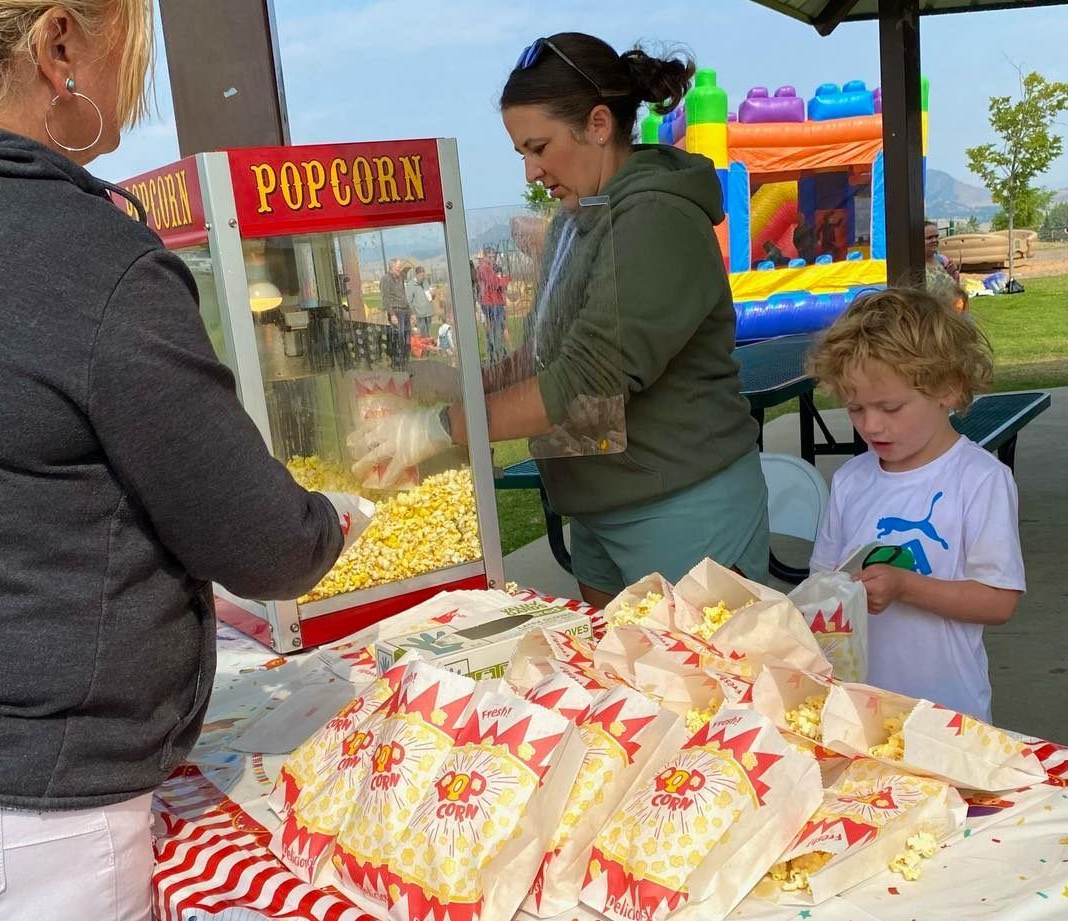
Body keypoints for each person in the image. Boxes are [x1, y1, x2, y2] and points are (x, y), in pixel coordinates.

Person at [0, 3, 368, 921]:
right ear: (62, 46)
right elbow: (256, 537)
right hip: (39, 799)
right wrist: (326, 521)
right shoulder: (81, 253)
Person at [351, 33, 768, 608]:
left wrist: (439, 428)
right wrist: (464, 383)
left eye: (539, 147)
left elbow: (584, 380)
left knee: (700, 686)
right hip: (595, 509)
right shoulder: (577, 221)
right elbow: (546, 354)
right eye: (522, 152)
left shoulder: (657, 221)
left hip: (681, 510)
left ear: (598, 124)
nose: (530, 172)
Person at [808, 288, 1023, 722]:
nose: (871, 425)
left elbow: (999, 601)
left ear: (948, 388)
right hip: (860, 709)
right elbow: (821, 586)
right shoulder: (851, 481)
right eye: (855, 409)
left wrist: (906, 587)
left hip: (947, 713)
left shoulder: (980, 479)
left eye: (890, 407)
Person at [476, 244, 510, 363]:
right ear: (484, 257)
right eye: (489, 257)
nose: (492, 259)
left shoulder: (486, 268)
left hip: (491, 302)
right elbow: (495, 283)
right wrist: (506, 279)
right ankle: (498, 356)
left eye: (493, 257)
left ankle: (496, 356)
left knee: (494, 330)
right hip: (492, 303)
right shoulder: (484, 268)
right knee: (496, 331)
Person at [379, 257, 411, 367]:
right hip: (396, 312)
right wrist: (392, 314)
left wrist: (410, 312)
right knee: (398, 338)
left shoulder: (400, 278)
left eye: (399, 268)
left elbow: (403, 296)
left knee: (407, 338)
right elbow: (385, 298)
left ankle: (405, 361)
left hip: (405, 310)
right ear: (391, 268)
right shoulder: (386, 279)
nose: (399, 270)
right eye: (397, 268)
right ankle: (397, 363)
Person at [925, 219, 960, 296]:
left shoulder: (943, 260)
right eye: (929, 238)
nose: (934, 240)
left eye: (936, 236)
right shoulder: (916, 265)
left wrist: (953, 275)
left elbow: (956, 290)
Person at [406, 263, 435, 336]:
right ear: (416, 274)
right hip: (419, 315)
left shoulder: (426, 282)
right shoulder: (411, 285)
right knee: (421, 334)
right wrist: (412, 313)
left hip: (428, 313)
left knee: (428, 333)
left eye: (423, 275)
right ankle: (423, 347)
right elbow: (408, 301)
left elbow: (431, 297)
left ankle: (427, 346)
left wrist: (433, 294)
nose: (422, 277)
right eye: (421, 275)